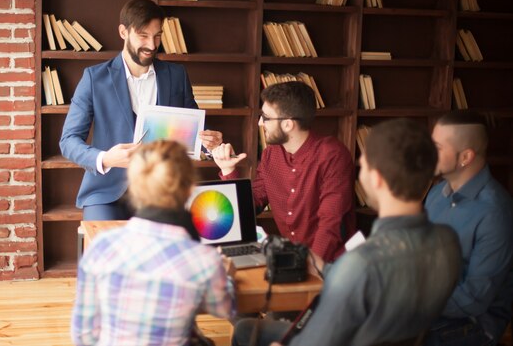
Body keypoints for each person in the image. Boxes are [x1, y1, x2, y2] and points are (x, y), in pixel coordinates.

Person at [231, 118, 462, 346]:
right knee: (248, 328)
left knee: (245, 331)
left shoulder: (361, 264)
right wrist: (325, 267)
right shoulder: (448, 240)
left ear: (376, 179)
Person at [60, 0, 222, 220]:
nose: (152, 45)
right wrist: (106, 158)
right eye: (143, 35)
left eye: (157, 36)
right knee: (108, 250)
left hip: (161, 192)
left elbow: (193, 128)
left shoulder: (176, 75)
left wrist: (210, 145)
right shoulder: (94, 78)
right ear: (123, 32)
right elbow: (68, 141)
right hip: (107, 194)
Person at [71, 140, 236, 346]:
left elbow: (83, 336)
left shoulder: (100, 247)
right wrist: (225, 273)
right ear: (189, 188)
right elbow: (225, 308)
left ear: (135, 187)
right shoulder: (205, 260)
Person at [212, 81, 355, 269]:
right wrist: (228, 171)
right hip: (293, 260)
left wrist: (310, 268)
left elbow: (330, 223)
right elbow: (251, 204)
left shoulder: (332, 155)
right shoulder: (271, 154)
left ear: (288, 124)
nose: (260, 122)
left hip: (332, 264)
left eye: (266, 117)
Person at [424, 110, 513, 346]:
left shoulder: (495, 213)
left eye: (437, 147)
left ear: (465, 157)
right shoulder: (437, 194)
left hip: (472, 323)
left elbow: (473, 300)